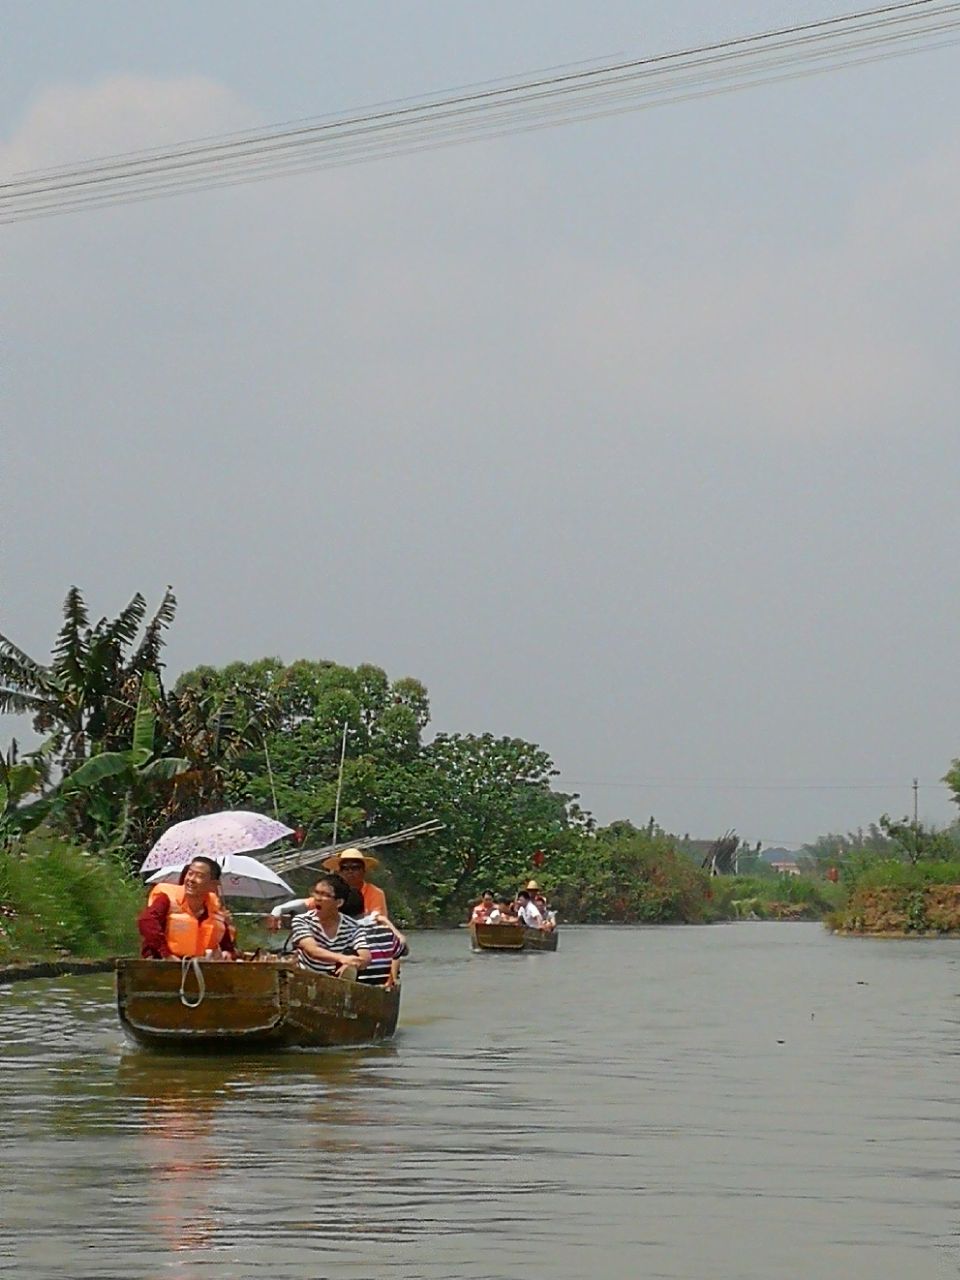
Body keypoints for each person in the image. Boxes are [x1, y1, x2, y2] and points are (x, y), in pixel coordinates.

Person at [138, 856, 236, 959]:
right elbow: (146, 922)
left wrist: (227, 953)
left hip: (200, 969)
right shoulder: (166, 899)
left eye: (200, 876)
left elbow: (228, 948)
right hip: (162, 965)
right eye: (190, 873)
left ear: (213, 885)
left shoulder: (215, 911)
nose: (191, 879)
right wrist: (166, 954)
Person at [289, 873, 371, 977]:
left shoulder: (353, 926)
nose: (318, 898)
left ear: (339, 902)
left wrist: (353, 964)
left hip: (333, 981)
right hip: (304, 978)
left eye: (325, 895)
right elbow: (312, 950)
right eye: (316, 893)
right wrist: (342, 958)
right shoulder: (302, 920)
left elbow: (366, 957)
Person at [341, 895, 408, 988]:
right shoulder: (386, 931)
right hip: (384, 986)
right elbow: (403, 950)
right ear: (364, 909)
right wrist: (388, 924)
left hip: (360, 985)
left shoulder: (346, 933)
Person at [322, 848, 388, 916]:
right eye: (345, 868)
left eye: (355, 868)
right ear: (339, 872)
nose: (350, 871)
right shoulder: (331, 892)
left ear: (364, 871)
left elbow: (378, 919)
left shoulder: (375, 893)